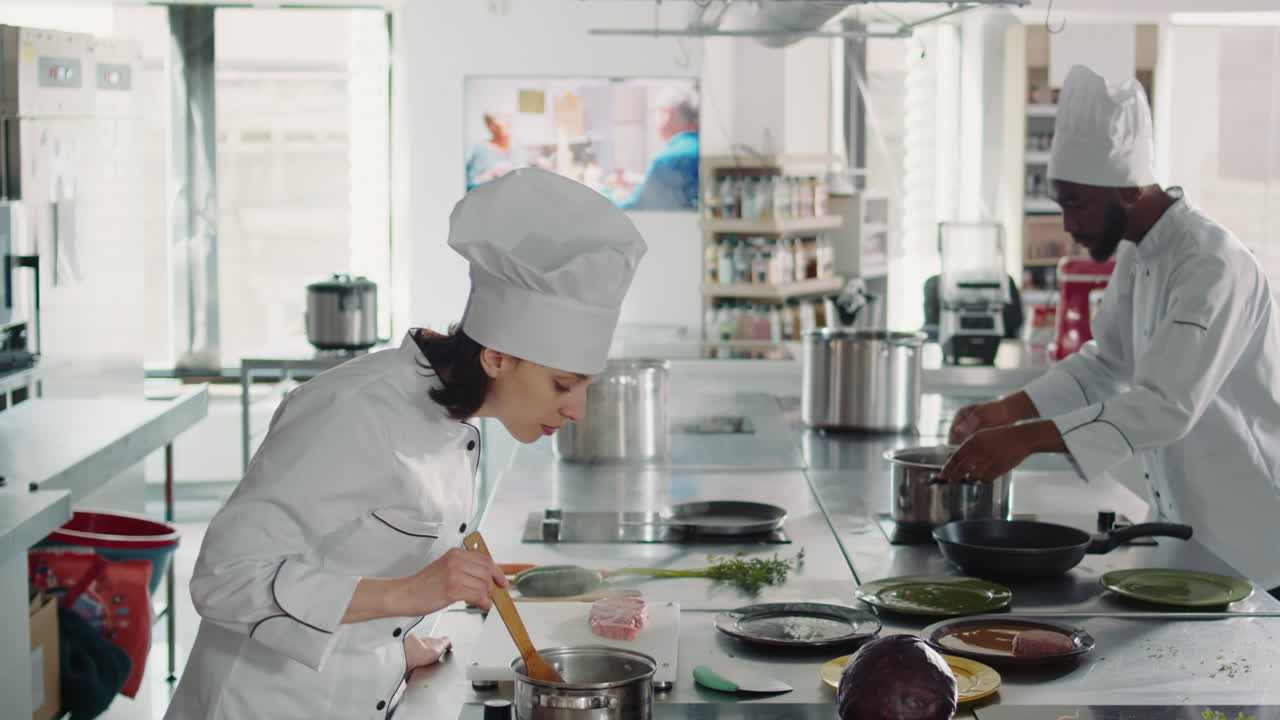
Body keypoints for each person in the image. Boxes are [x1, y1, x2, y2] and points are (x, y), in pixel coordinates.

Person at [164, 168, 647, 719]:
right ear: (496, 358)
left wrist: (388, 644)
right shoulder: (353, 415)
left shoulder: (452, 417)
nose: (577, 410)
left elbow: (347, 552)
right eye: (563, 385)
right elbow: (225, 580)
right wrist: (409, 596)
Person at [941, 65, 1280, 599]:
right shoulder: (1139, 251)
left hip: (1256, 545)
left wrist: (1028, 438)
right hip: (1184, 530)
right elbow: (1106, 363)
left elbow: (1166, 404)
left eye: (1075, 203)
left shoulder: (1213, 265)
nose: (1068, 226)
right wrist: (1010, 408)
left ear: (1126, 188)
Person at [619, 88, 700, 211]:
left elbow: (633, 208)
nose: (654, 122)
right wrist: (641, 180)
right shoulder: (700, 148)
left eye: (657, 114)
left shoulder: (669, 159)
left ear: (668, 114)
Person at [465, 112, 522, 188]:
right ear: (491, 125)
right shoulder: (481, 150)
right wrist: (492, 174)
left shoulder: (520, 148)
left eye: (509, 116)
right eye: (502, 118)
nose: (509, 121)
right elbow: (469, 185)